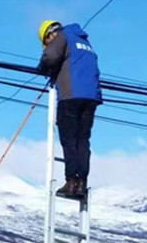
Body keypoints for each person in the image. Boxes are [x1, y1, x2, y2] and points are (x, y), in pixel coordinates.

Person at [36, 20, 102, 200]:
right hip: (92, 98)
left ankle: (71, 181)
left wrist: (42, 67)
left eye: (47, 42)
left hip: (71, 95)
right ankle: (81, 183)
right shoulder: (85, 42)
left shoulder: (62, 36)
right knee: (83, 140)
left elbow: (50, 57)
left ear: (49, 34)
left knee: (69, 139)